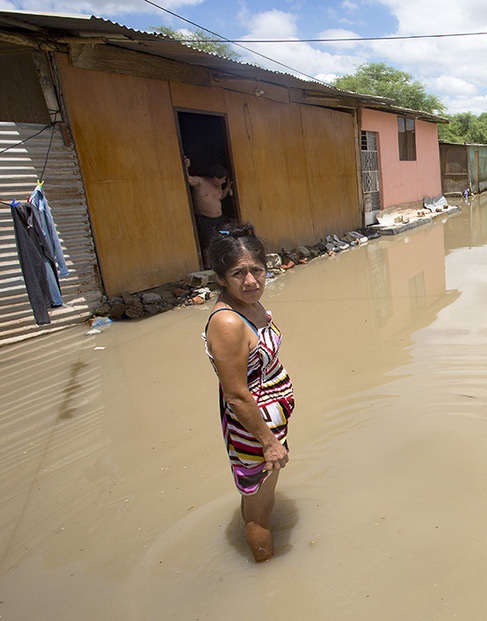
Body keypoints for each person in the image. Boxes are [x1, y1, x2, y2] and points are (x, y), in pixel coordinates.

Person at [203, 223, 293, 562]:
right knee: (259, 508)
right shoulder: (227, 322)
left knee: (262, 494)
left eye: (257, 269)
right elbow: (237, 395)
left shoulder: (252, 306)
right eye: (238, 273)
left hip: (269, 422)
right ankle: (268, 577)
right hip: (254, 430)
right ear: (222, 279)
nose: (251, 281)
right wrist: (268, 442)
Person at [185, 157, 234, 265]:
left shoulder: (218, 185)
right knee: (208, 242)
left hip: (219, 218)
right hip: (205, 219)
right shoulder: (200, 182)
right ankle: (208, 265)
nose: (224, 181)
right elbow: (188, 179)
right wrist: (186, 167)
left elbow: (220, 197)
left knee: (224, 238)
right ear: (215, 178)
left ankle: (223, 262)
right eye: (223, 179)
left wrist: (227, 187)